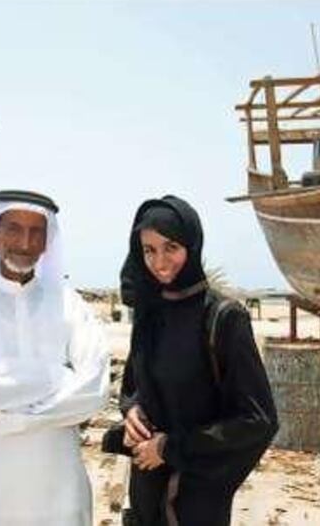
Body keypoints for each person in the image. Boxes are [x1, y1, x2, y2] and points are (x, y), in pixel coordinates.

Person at [0, 189, 110, 525]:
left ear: (48, 242)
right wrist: (55, 377)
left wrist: (11, 417)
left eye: (37, 232)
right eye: (14, 229)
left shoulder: (70, 305)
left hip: (58, 494)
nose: (25, 243)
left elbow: (94, 390)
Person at [114, 195, 278, 525]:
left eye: (170, 247)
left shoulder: (223, 318)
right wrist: (131, 411)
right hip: (146, 491)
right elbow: (134, 384)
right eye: (149, 250)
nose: (159, 262)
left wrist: (170, 448)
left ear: (191, 243)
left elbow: (258, 420)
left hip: (196, 498)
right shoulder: (149, 314)